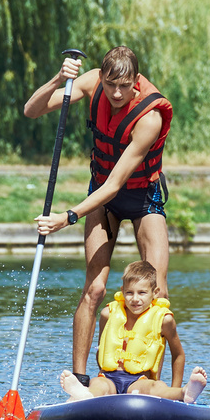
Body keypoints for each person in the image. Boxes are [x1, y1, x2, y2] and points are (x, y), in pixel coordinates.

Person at [24, 46, 174, 387]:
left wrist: (68, 217)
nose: (117, 93)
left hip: (141, 196)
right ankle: (78, 381)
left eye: (124, 85)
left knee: (159, 291)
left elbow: (116, 184)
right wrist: (59, 79)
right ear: (102, 78)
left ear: (136, 81)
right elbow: (30, 110)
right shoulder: (91, 84)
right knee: (95, 288)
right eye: (110, 85)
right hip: (101, 200)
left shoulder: (149, 117)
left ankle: (150, 384)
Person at [58, 260, 207, 404]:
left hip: (139, 381)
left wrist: (174, 390)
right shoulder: (107, 314)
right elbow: (102, 349)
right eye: (129, 293)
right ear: (122, 291)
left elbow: (178, 354)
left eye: (142, 292)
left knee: (156, 387)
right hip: (108, 377)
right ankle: (85, 395)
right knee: (98, 384)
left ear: (155, 293)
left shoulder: (164, 320)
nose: (135, 299)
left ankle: (184, 392)